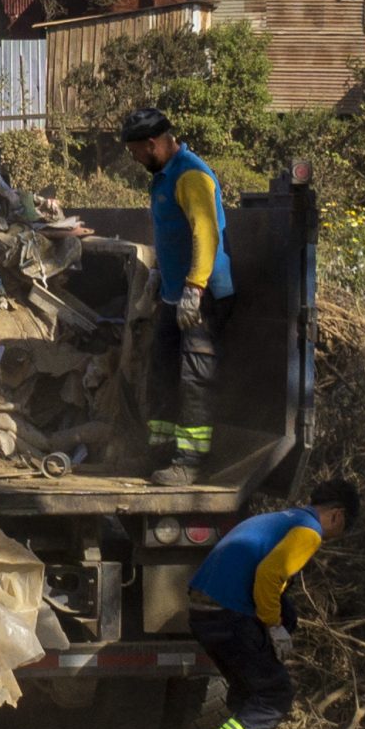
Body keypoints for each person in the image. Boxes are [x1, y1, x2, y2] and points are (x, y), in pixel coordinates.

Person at [182, 479, 362, 729]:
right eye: (342, 528)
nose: (334, 536)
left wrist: (278, 619)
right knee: (275, 695)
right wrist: (273, 625)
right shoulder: (309, 531)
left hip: (204, 612)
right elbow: (269, 574)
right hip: (229, 614)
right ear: (337, 515)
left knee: (250, 695)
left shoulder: (278, 520)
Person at [120, 107, 233, 487]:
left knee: (194, 379)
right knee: (162, 373)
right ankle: (160, 453)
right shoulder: (164, 177)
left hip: (202, 295)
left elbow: (206, 234)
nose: (134, 159)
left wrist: (195, 288)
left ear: (152, 144)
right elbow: (172, 234)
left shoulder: (190, 175)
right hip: (175, 294)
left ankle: (189, 463)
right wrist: (158, 275)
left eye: (135, 152)